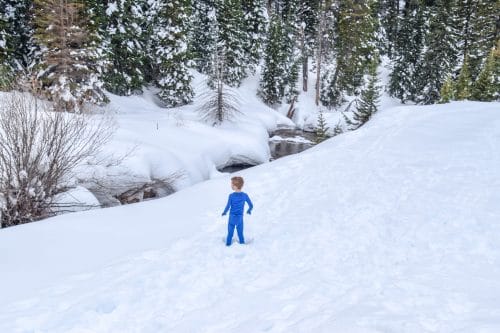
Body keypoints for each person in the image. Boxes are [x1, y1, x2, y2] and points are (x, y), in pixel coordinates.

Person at [222, 176, 253, 246]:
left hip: (232, 218)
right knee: (240, 234)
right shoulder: (245, 195)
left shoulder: (231, 196)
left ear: (235, 186)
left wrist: (224, 212)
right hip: (239, 218)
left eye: (232, 184)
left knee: (230, 234)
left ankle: (228, 245)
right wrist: (249, 210)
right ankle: (242, 244)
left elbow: (228, 206)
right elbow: (251, 205)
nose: (231, 185)